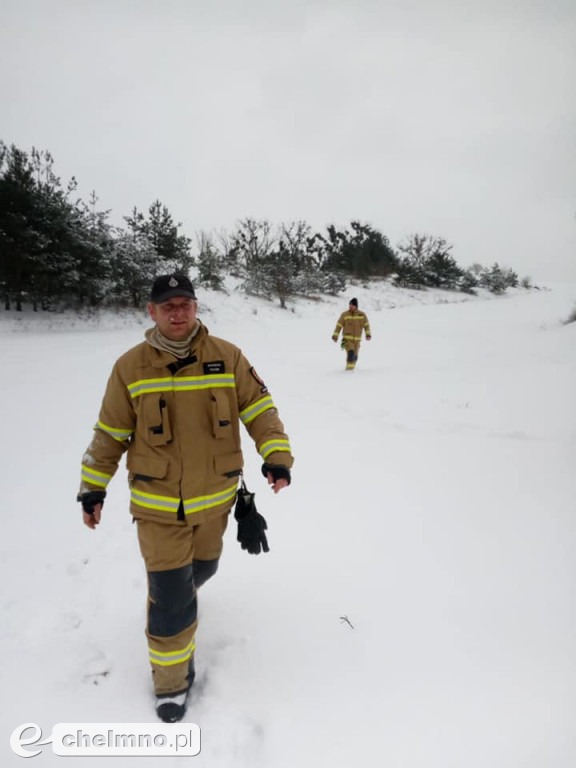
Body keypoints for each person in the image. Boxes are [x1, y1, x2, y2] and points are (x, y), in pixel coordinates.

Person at [77, 274, 293, 723]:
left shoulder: (227, 357)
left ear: (196, 308)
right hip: (159, 507)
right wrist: (93, 487)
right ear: (151, 312)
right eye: (167, 305)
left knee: (204, 569)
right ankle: (171, 684)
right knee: (173, 601)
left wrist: (276, 456)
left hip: (216, 501)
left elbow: (259, 410)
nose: (177, 313)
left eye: (185, 304)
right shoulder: (130, 368)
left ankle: (173, 595)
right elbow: (110, 434)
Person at [331, 297, 371, 370]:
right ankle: (349, 373)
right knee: (351, 354)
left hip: (357, 341)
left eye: (352, 305)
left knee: (355, 357)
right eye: (350, 304)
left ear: (356, 306)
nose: (350, 306)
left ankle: (351, 370)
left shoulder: (362, 315)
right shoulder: (344, 314)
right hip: (347, 339)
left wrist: (368, 334)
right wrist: (335, 336)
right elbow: (339, 326)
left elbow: (366, 325)